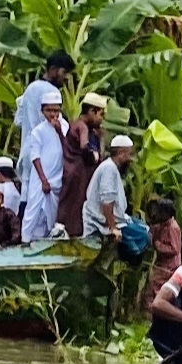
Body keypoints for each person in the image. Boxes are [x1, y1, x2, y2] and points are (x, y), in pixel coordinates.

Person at [21, 87, 66, 241]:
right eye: (49, 110)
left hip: (57, 176)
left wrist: (59, 131)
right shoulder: (38, 131)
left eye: (56, 110)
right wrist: (43, 180)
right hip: (40, 178)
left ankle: (48, 240)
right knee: (33, 209)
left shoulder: (65, 126)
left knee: (52, 211)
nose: (53, 114)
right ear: (42, 110)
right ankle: (26, 240)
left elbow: (68, 148)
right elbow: (35, 157)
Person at [58, 93, 106, 236]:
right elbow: (84, 146)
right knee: (75, 206)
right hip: (78, 173)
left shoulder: (87, 129)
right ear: (92, 111)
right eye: (101, 115)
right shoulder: (82, 127)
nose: (101, 119)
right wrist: (95, 157)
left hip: (78, 173)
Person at [14, 49, 74, 162]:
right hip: (45, 152)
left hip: (27, 151)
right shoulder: (52, 92)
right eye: (64, 72)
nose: (66, 77)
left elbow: (18, 121)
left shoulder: (30, 88)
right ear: (53, 70)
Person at [81, 132, 134, 245]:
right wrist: (113, 228)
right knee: (141, 237)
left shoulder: (111, 167)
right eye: (129, 154)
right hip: (100, 224)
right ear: (121, 153)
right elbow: (107, 203)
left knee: (142, 229)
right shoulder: (109, 169)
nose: (131, 159)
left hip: (112, 221)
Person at [140, 196, 182, 311]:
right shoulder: (163, 224)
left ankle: (153, 314)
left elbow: (174, 249)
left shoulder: (172, 228)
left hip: (168, 266)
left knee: (154, 290)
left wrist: (158, 245)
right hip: (163, 264)